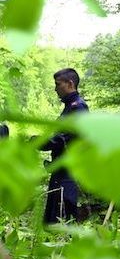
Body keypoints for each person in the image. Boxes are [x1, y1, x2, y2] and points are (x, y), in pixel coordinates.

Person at [38, 68, 89, 224]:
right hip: (61, 168)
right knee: (54, 217)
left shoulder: (78, 107)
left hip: (70, 171)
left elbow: (64, 137)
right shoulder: (69, 107)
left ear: (70, 83)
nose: (55, 89)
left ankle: (68, 246)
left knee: (65, 216)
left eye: (57, 84)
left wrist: (40, 142)